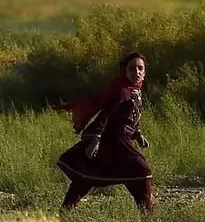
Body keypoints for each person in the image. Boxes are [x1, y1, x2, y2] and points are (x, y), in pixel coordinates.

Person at [52, 51, 154, 213]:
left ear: (145, 71)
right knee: (142, 171)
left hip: (123, 141)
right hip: (114, 142)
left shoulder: (135, 91)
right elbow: (104, 116)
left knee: (88, 175)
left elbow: (129, 118)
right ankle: (148, 215)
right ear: (124, 71)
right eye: (132, 69)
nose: (137, 72)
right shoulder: (122, 92)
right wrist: (94, 140)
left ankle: (64, 212)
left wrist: (138, 134)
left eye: (140, 68)